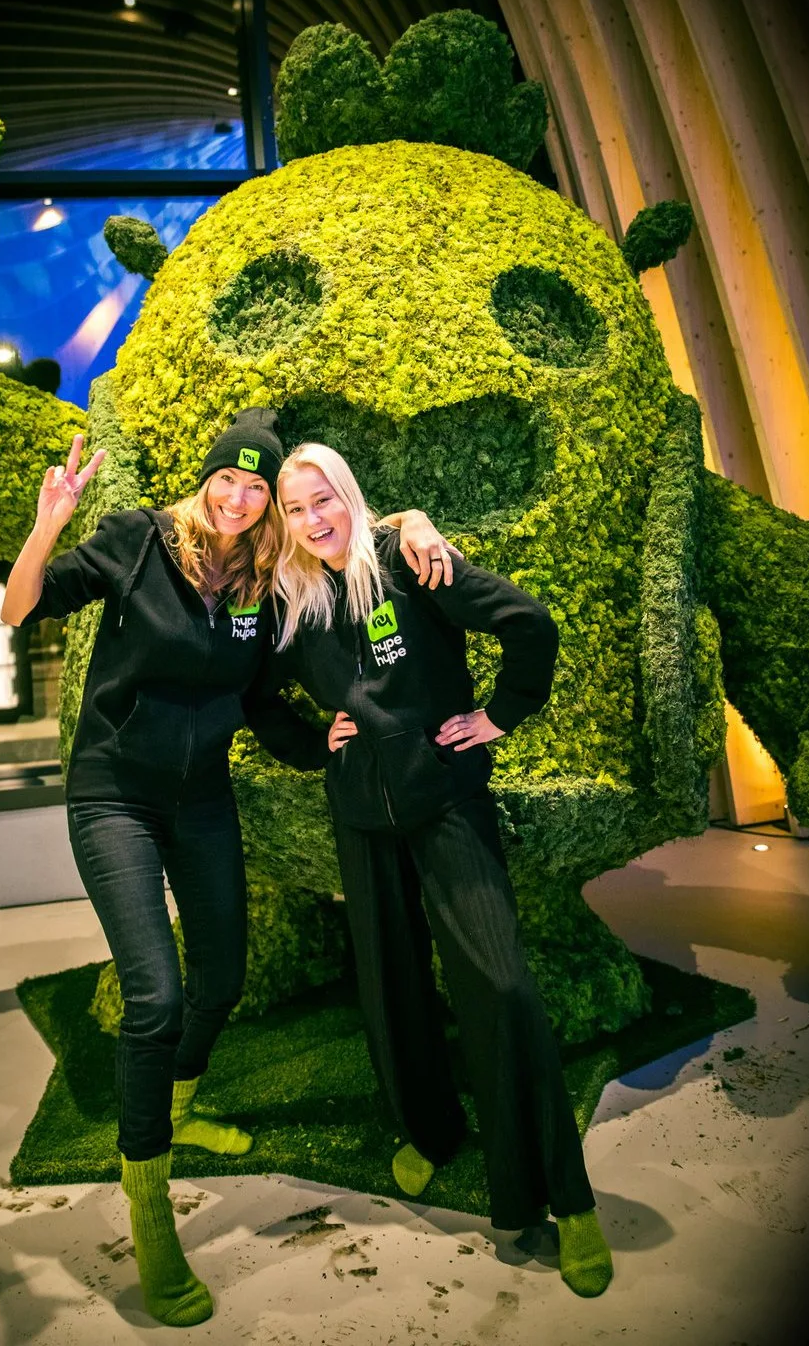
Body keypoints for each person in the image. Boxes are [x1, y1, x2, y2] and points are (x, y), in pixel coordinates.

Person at [0, 410, 451, 1327]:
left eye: (257, 487)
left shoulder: (264, 578)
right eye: (228, 480)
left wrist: (412, 524)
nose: (240, 499)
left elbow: (265, 691)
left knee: (223, 977)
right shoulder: (136, 542)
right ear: (205, 479)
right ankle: (149, 1207)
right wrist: (48, 526)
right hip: (115, 795)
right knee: (155, 998)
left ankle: (181, 1104)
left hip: (201, 796)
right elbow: (20, 609)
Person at [263, 440, 615, 1299]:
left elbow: (528, 623)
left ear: (348, 494)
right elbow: (249, 691)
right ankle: (430, 1131)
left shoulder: (406, 559)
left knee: (502, 984)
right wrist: (312, 744)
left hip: (446, 798)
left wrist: (501, 715)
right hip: (361, 815)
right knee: (390, 987)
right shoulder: (289, 599)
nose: (313, 520)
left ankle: (563, 1198)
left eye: (322, 499)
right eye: (295, 509)